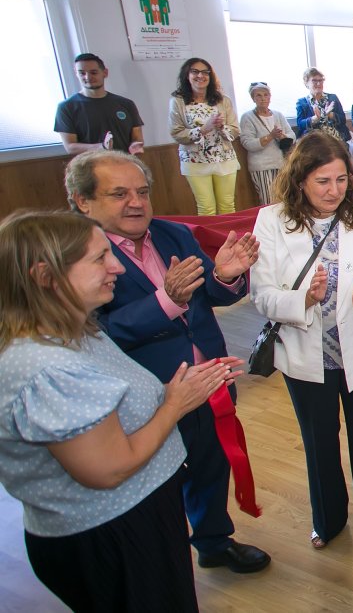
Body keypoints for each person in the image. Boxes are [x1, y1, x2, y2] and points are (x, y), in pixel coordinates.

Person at [0, 211, 239, 612]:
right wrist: (175, 404)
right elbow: (107, 468)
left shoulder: (75, 329)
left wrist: (179, 389)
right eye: (99, 259)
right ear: (45, 276)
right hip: (112, 533)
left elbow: (109, 406)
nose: (116, 266)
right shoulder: (46, 365)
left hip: (138, 516)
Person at [65, 150, 271, 574]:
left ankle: (214, 542)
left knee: (211, 463)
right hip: (146, 395)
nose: (136, 203)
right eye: (119, 194)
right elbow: (95, 333)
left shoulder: (174, 234)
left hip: (209, 380)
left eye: (142, 192)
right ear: (82, 201)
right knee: (158, 481)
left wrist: (226, 276)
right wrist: (166, 300)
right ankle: (161, 561)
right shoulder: (75, 257)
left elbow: (211, 297)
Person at [251, 131, 353, 551]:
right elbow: (261, 294)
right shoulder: (272, 221)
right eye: (323, 181)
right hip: (305, 355)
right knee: (319, 440)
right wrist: (304, 298)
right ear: (300, 179)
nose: (334, 190)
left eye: (341, 180)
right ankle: (328, 519)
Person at [169, 57, 240, 216]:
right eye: (195, 71)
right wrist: (203, 129)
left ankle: (230, 239)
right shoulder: (178, 101)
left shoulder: (223, 100)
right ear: (187, 75)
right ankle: (212, 241)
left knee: (228, 206)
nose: (200, 76)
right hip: (195, 160)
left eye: (205, 72)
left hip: (224, 157)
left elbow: (235, 130)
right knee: (206, 208)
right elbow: (176, 132)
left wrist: (222, 127)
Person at [54, 52, 145, 155]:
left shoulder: (126, 104)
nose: (88, 77)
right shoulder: (66, 107)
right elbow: (70, 147)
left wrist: (135, 145)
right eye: (82, 73)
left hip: (126, 164)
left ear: (105, 73)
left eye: (93, 72)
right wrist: (101, 147)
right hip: (91, 167)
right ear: (76, 74)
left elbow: (137, 137)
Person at [239, 81, 296, 205]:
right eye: (258, 95)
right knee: (269, 202)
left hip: (281, 164)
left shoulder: (278, 115)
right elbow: (247, 143)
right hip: (262, 166)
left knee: (285, 200)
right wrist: (270, 136)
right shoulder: (247, 117)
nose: (263, 98)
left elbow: (292, 136)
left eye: (266, 95)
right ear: (253, 98)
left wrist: (282, 136)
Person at [295, 67, 350, 142]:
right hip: (314, 142)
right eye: (314, 81)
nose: (318, 83)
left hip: (336, 139)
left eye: (321, 80)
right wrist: (314, 118)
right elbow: (300, 125)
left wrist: (330, 114)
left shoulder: (332, 97)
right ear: (306, 83)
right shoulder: (302, 102)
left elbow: (343, 119)